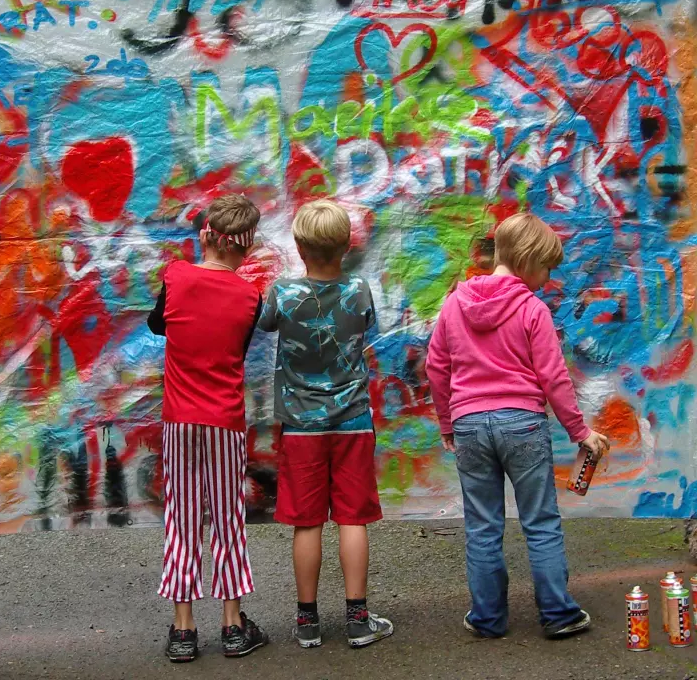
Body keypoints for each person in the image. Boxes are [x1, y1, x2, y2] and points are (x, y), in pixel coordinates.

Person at [425, 212, 611, 640]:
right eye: (545, 268)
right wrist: (578, 431)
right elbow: (553, 376)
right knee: (540, 521)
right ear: (527, 260)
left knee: (482, 525)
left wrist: (448, 423)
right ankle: (559, 615)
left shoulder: (454, 303)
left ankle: (488, 619)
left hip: (470, 423)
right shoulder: (532, 309)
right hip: (522, 425)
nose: (546, 279)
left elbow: (437, 367)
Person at [258, 199, 393, 650]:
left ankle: (307, 621)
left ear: (298, 245)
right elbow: (366, 327)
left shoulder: (282, 294)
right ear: (346, 245)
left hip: (300, 425)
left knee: (308, 522)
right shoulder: (360, 290)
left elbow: (264, 324)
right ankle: (357, 619)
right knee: (353, 518)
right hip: (352, 420)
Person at [147, 194, 268, 662]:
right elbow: (236, 344)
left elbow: (158, 323)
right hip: (225, 423)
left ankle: (183, 630)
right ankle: (233, 625)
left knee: (182, 518)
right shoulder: (250, 296)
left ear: (206, 237)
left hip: (180, 420)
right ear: (247, 246)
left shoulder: (175, 277)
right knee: (227, 519)